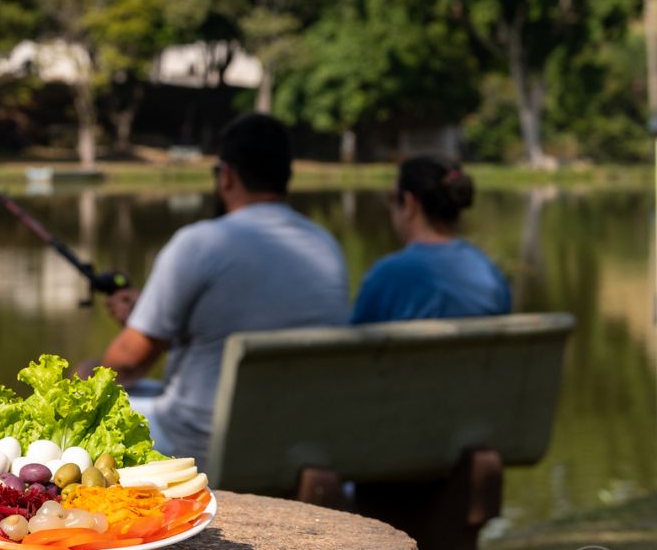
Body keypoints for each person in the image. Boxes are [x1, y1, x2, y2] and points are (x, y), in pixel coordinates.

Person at [78, 113, 349, 465]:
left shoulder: (199, 243)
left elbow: (127, 364)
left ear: (227, 176)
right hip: (296, 435)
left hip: (198, 440)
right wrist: (149, 317)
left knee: (86, 381)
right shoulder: (325, 246)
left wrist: (102, 360)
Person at [350, 156, 511, 324]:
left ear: (409, 203)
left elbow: (355, 345)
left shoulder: (386, 277)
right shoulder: (490, 273)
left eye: (392, 198)